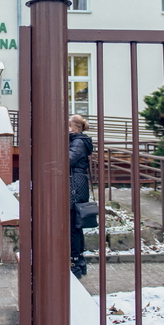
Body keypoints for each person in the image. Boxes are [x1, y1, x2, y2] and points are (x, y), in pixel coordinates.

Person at [69, 114, 94, 279]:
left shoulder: (78, 142)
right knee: (74, 225)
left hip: (76, 187)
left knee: (74, 226)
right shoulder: (76, 140)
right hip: (75, 186)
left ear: (74, 127)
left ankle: (77, 262)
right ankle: (78, 261)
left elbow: (67, 160)